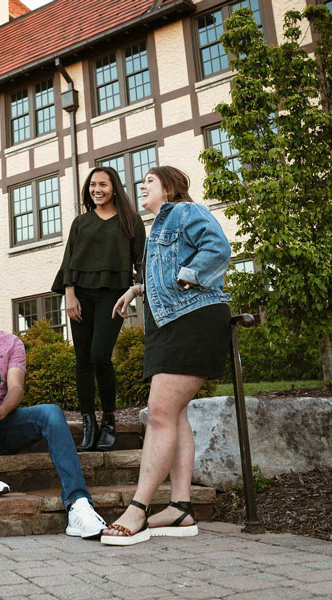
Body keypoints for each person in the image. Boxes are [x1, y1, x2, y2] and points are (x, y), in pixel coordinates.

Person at [101, 166, 232, 546]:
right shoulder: (159, 227)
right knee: (175, 414)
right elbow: (166, 270)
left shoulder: (184, 212)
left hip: (194, 318)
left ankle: (138, 510)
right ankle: (180, 507)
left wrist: (187, 276)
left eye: (150, 182)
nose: (142, 186)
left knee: (158, 413)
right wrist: (137, 289)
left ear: (169, 187)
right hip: (170, 322)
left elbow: (218, 248)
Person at [0, 272, 107, 539]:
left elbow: (15, 388)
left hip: (0, 425)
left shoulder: (11, 342)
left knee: (50, 412)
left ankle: (77, 505)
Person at [52, 167, 145, 452]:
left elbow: (141, 262)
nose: (97, 189)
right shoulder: (81, 222)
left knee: (99, 355)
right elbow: (69, 260)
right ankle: (88, 423)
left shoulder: (131, 222)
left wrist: (134, 291)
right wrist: (69, 295)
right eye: (92, 185)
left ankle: (109, 419)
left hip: (113, 296)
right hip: (80, 295)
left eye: (102, 184)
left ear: (114, 187)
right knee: (82, 360)